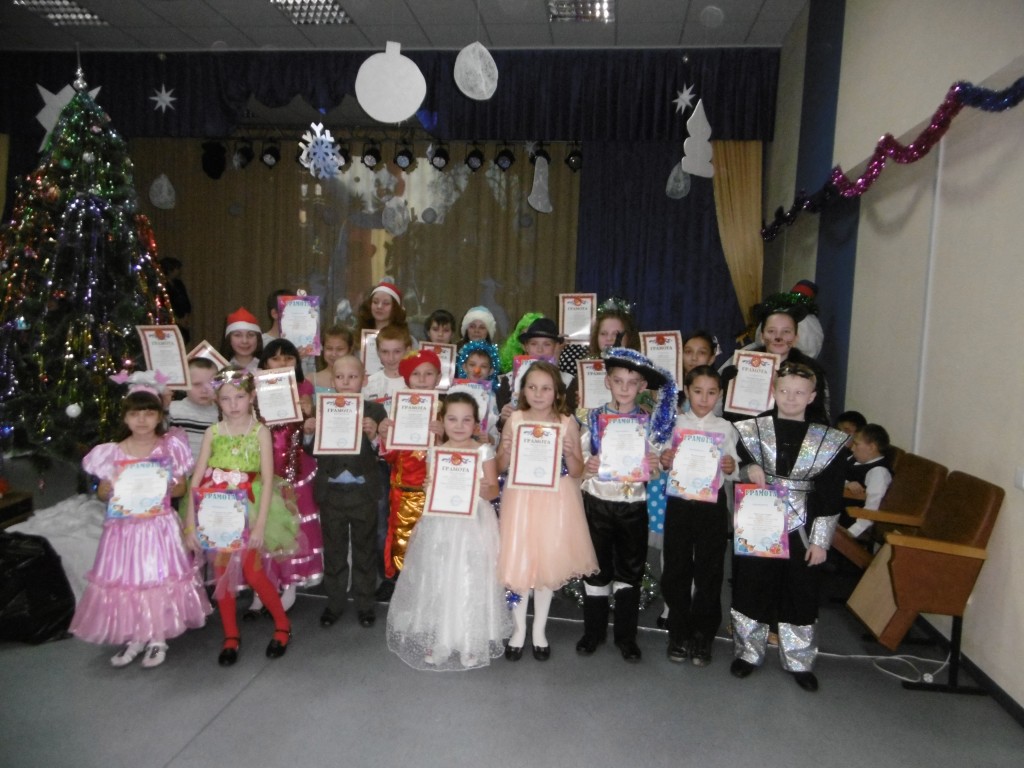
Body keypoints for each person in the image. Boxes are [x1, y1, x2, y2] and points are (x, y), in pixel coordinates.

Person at [70, 373, 211, 668]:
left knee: (156, 578)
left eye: (149, 413)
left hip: (158, 526)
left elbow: (181, 488)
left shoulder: (169, 447)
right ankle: (136, 635)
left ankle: (157, 638)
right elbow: (104, 492)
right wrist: (111, 488)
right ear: (125, 418)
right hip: (124, 529)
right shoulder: (112, 452)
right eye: (135, 414)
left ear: (159, 416)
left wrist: (162, 484)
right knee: (129, 580)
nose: (142, 420)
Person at [729, 361, 848, 692]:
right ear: (774, 392)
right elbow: (733, 465)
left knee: (800, 590)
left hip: (803, 527)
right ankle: (747, 652)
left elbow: (831, 494)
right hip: (758, 521)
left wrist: (821, 541)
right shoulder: (751, 430)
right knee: (752, 584)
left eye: (799, 392)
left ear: (811, 397)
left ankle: (799, 659)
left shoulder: (828, 440)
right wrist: (747, 469)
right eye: (784, 391)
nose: (791, 398)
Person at [386, 392, 512, 670]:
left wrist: (480, 487)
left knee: (469, 578)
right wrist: (429, 485)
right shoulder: (436, 452)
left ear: (476, 424)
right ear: (442, 422)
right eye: (452, 419)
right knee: (440, 577)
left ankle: (469, 641)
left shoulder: (483, 451)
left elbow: (493, 491)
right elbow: (432, 490)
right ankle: (440, 639)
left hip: (474, 523)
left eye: (466, 420)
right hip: (441, 524)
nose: (459, 425)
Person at [185, 368, 299, 666]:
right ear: (217, 401)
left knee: (253, 571)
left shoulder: (259, 432)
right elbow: (196, 479)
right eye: (225, 399)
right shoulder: (213, 433)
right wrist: (190, 524)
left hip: (250, 506)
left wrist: (260, 526)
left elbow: (268, 478)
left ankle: (282, 624)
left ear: (251, 397)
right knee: (222, 573)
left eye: (239, 397)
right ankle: (231, 635)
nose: (233, 404)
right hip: (217, 509)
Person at [576, 348, 676, 662]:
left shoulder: (647, 423)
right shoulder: (592, 418)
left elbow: (655, 465)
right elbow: (579, 461)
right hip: (598, 501)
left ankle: (626, 637)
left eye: (632, 383)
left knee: (630, 571)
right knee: (596, 569)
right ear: (607, 382)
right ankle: (593, 632)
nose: (624, 388)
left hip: (632, 504)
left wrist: (653, 465)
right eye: (618, 381)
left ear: (642, 386)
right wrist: (588, 466)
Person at [496, 361, 598, 661]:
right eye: (532, 387)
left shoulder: (566, 422)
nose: (538, 394)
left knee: (546, 563)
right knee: (519, 562)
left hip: (556, 500)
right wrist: (506, 449)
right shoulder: (515, 420)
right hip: (520, 499)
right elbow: (500, 465)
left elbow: (578, 471)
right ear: (523, 391)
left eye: (545, 388)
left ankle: (539, 629)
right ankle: (518, 630)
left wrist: (570, 453)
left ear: (557, 392)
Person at [658, 366, 739, 667]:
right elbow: (663, 458)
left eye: (711, 392)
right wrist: (666, 459)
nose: (704, 399)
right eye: (697, 391)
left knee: (710, 569)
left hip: (711, 505)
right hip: (680, 502)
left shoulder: (725, 427)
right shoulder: (675, 424)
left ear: (720, 395)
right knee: (676, 567)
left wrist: (730, 466)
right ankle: (678, 632)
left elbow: (733, 466)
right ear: (687, 392)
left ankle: (703, 634)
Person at [304, 355, 387, 629]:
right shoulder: (322, 407)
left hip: (363, 492)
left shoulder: (375, 410)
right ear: (332, 380)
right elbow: (311, 450)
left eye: (353, 377)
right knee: (335, 550)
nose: (346, 382)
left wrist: (374, 436)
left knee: (364, 550)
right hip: (332, 493)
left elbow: (383, 452)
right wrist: (308, 433)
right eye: (340, 377)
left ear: (364, 379)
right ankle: (335, 602)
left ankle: (365, 604)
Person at [255, 339, 323, 615]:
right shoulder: (254, 390)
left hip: (296, 467)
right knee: (266, 526)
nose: (282, 363)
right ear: (264, 364)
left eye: (288, 358)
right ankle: (264, 585)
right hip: (264, 468)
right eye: (275, 358)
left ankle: (291, 583)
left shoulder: (305, 388)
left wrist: (309, 415)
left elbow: (312, 432)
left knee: (294, 527)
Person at [377, 350, 445, 597]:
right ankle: (402, 586)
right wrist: (385, 436)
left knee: (435, 541)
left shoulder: (447, 410)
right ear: (407, 379)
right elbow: (391, 456)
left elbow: (460, 451)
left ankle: (434, 587)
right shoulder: (399, 410)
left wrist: (443, 435)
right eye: (416, 374)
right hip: (404, 489)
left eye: (429, 374)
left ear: (438, 378)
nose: (422, 379)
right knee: (402, 539)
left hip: (438, 493)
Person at [721, 308, 830, 424]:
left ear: (795, 338)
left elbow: (818, 415)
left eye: (786, 331)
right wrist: (729, 388)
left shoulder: (810, 371)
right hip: (749, 430)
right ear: (762, 337)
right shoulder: (743, 365)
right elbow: (731, 418)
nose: (778, 337)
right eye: (771, 331)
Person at [496, 316, 574, 430]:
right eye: (534, 344)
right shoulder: (508, 380)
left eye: (547, 344)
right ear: (526, 347)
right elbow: (500, 428)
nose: (540, 350)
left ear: (556, 347)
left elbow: (573, 421)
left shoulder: (568, 381)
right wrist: (503, 419)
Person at [841, 423, 893, 538]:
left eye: (856, 444)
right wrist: (846, 483)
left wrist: (851, 533)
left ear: (871, 447)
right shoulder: (854, 459)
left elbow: (872, 508)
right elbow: (834, 474)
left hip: (847, 520)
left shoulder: (878, 472)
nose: (852, 448)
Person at [168, 356, 220, 461]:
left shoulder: (221, 414)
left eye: (211, 384)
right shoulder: (172, 410)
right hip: (176, 469)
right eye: (197, 384)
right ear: (184, 384)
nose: (204, 390)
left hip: (210, 470)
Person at [454, 340, 501, 445]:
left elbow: (494, 429)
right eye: (472, 365)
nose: (477, 370)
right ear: (464, 367)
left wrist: (490, 438)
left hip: (481, 448)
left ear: (491, 371)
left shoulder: (492, 396)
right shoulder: (455, 391)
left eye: (483, 366)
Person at [363, 324, 414, 408]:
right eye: (385, 352)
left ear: (408, 351)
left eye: (397, 351)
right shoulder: (368, 384)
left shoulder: (417, 383)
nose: (391, 358)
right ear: (378, 352)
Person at [311, 325, 355, 393]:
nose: (334, 354)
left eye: (340, 349)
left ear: (350, 350)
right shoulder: (311, 380)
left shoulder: (357, 380)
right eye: (329, 348)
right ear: (323, 349)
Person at [159, 256, 192, 344]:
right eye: (177, 268)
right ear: (170, 269)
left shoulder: (179, 284)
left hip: (182, 320)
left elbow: (186, 302)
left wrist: (185, 318)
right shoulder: (161, 286)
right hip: (168, 322)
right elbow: (162, 307)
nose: (179, 271)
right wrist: (177, 320)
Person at [220, 307, 263, 373]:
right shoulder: (220, 369)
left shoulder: (267, 368)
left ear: (258, 339)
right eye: (237, 335)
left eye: (250, 335)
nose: (244, 341)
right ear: (229, 339)